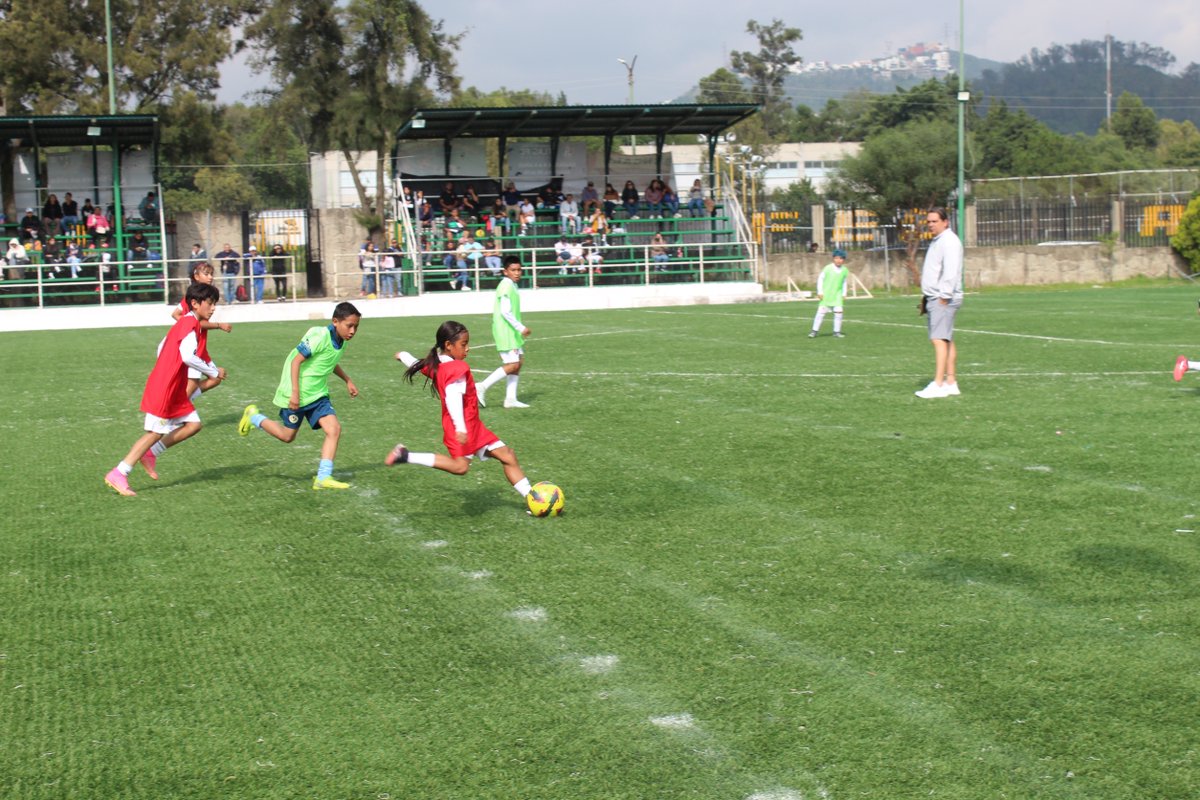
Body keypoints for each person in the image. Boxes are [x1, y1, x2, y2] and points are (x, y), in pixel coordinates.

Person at [387, 320, 533, 507]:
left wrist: (403, 355)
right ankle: (405, 455)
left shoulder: (439, 365)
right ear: (448, 345)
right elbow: (452, 397)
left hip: (473, 426)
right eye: (463, 344)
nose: (467, 349)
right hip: (462, 427)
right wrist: (461, 427)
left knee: (508, 455)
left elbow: (417, 364)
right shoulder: (457, 369)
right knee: (460, 467)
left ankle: (533, 498)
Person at [103, 282, 226, 496]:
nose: (213, 308)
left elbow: (162, 347)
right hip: (166, 388)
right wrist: (213, 372)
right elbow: (188, 356)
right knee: (156, 431)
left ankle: (150, 454)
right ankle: (119, 472)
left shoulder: (189, 323)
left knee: (193, 424)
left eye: (214, 304)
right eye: (210, 303)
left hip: (173, 386)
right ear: (195, 304)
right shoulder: (189, 325)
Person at [237, 302, 362, 490]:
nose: (352, 331)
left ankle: (323, 477)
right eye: (349, 326)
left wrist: (347, 380)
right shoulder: (320, 336)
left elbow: (329, 361)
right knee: (287, 436)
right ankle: (254, 417)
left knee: (334, 429)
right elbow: (296, 361)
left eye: (356, 327)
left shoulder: (341, 341)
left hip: (318, 395)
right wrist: (295, 393)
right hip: (297, 394)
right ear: (335, 321)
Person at [916, 208, 964, 399]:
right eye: (929, 221)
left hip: (943, 297)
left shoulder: (950, 242)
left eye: (935, 221)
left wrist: (943, 296)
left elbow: (950, 271)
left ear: (945, 222)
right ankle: (950, 382)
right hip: (935, 296)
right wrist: (926, 297)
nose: (931, 224)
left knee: (938, 339)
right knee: (946, 339)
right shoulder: (939, 241)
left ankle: (938, 383)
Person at [170, 261, 232, 401]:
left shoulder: (201, 294)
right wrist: (218, 325)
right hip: (194, 349)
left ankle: (183, 404)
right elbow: (185, 318)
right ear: (196, 276)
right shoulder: (195, 296)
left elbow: (176, 314)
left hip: (201, 347)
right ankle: (175, 410)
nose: (210, 277)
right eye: (206, 274)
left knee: (215, 378)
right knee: (194, 382)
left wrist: (188, 324)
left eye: (211, 274)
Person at [475, 256, 531, 408]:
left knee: (518, 362)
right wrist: (521, 328)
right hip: (506, 331)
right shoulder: (506, 285)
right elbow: (506, 312)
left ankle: (510, 399)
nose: (517, 273)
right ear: (505, 271)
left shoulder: (511, 285)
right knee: (512, 364)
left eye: (519, 270)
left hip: (511, 331)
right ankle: (481, 387)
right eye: (513, 270)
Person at [809, 248, 849, 339]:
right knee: (820, 313)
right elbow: (820, 279)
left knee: (839, 313)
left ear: (843, 260)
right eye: (837, 258)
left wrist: (844, 293)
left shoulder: (845, 270)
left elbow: (844, 282)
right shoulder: (828, 268)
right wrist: (820, 292)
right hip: (826, 295)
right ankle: (814, 331)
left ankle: (837, 332)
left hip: (837, 296)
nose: (839, 260)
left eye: (841, 258)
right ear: (833, 259)